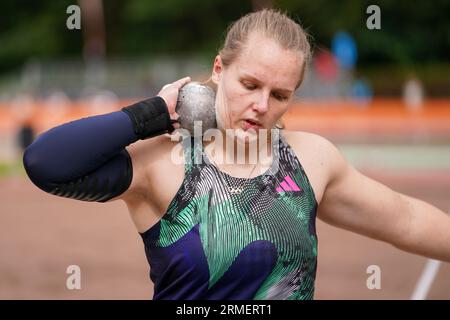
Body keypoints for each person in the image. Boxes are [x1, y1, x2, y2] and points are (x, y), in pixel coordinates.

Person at [23, 9, 450, 300]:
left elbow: (406, 218)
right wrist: (149, 115)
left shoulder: (312, 159)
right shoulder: (164, 162)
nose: (262, 105)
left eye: (280, 94)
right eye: (250, 85)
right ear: (219, 70)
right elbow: (46, 163)